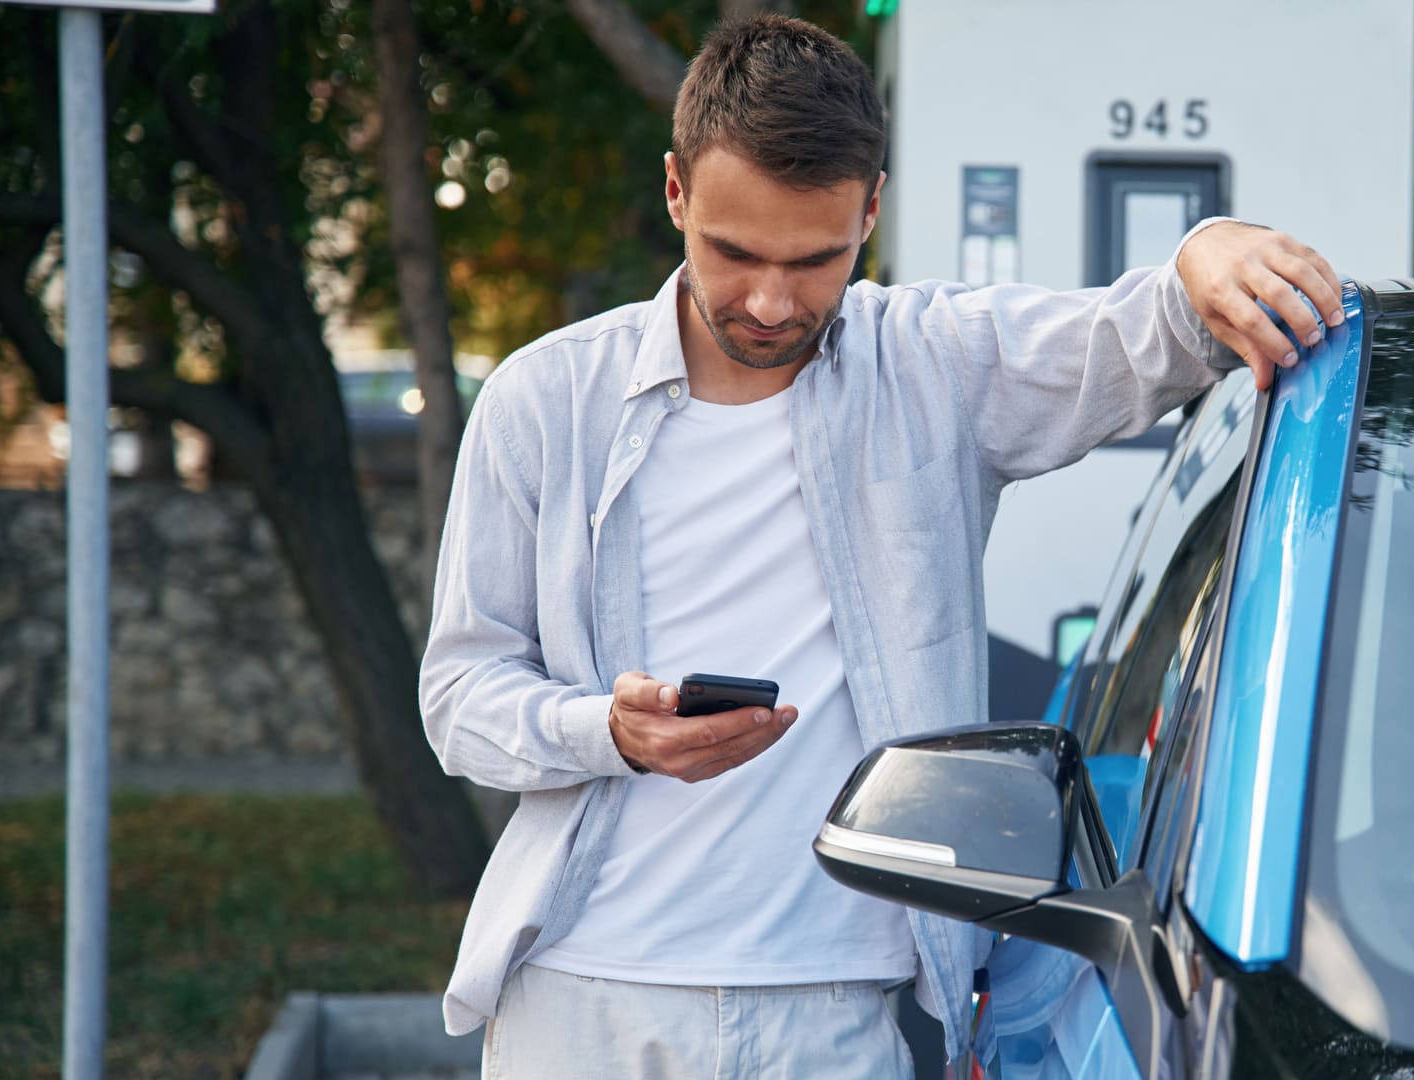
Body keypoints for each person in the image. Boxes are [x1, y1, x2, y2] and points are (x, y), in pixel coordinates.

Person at [419, 13, 1342, 1079]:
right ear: (676, 193)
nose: (770, 301)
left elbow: (1143, 336)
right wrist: (608, 734)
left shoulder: (934, 364)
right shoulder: (543, 401)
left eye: (816, 260)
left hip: (842, 1012)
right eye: (734, 253)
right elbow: (460, 699)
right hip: (584, 1000)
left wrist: (1204, 249)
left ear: (871, 211)